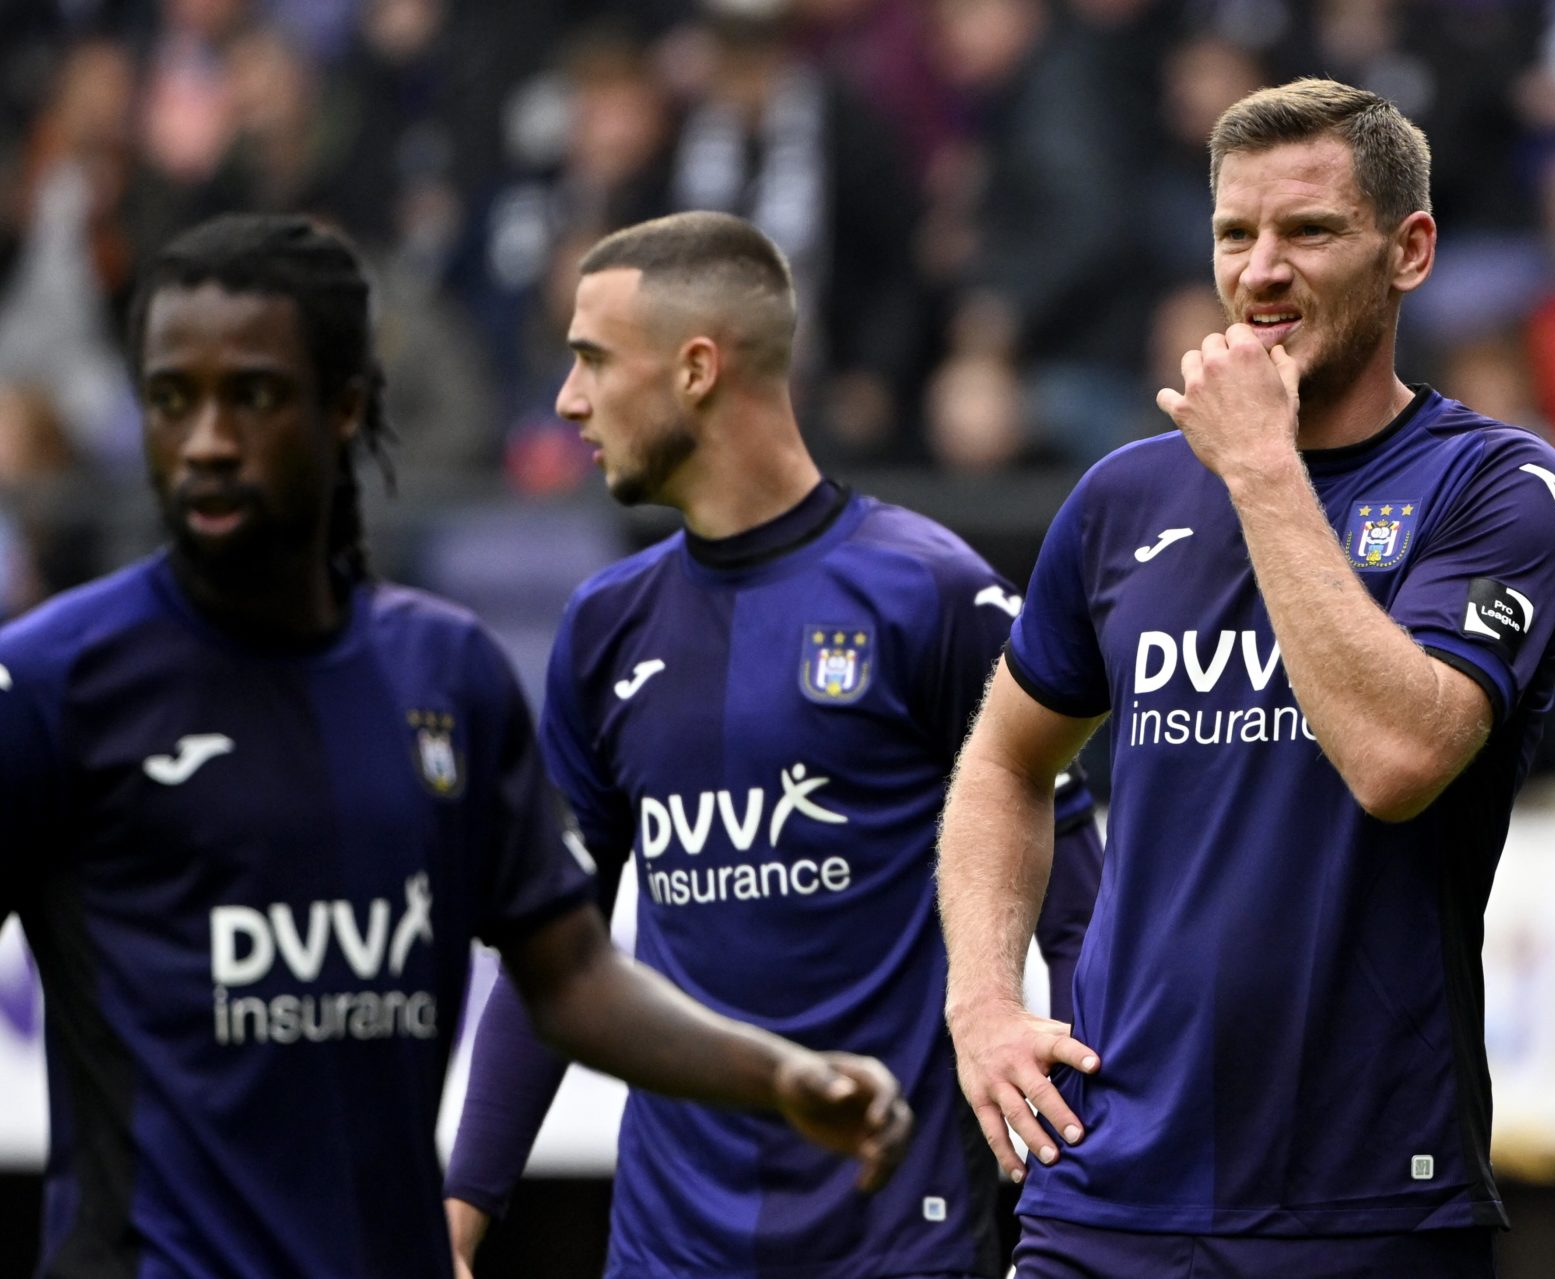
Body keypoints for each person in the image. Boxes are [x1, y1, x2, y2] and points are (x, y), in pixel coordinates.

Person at [0, 213, 910, 1279]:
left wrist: (777, 1076)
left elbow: (569, 976)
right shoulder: (52, 685)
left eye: (251, 395)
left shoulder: (447, 677)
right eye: (170, 399)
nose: (205, 439)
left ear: (344, 408)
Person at [937, 78, 1555, 1278]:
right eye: (1237, 234)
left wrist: (1263, 471)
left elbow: (1399, 761)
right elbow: (1004, 760)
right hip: (1105, 1184)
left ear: (1411, 251)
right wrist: (981, 1001)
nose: (1262, 269)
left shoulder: (1496, 488)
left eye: (1310, 231)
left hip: (1366, 1197)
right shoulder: (1125, 496)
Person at [441, 210, 1102, 1278]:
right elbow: (549, 951)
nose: (568, 401)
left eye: (593, 361)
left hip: (899, 1244)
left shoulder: (930, 593)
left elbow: (1077, 913)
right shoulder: (604, 627)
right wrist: (465, 1203)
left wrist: (1088, 1185)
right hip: (667, 1251)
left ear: (697, 368)